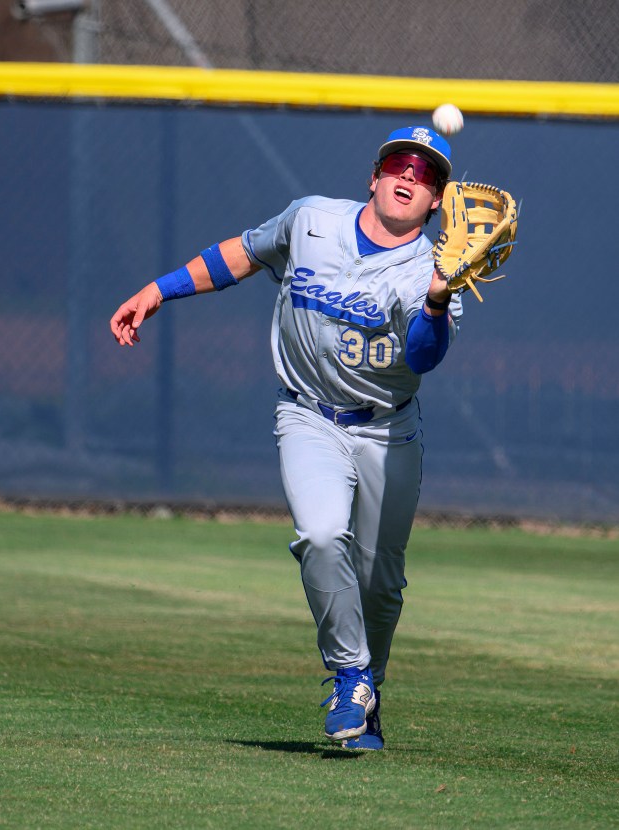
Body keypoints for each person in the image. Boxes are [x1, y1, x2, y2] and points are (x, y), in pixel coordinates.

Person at [110, 125, 463, 751]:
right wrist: (159, 289)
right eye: (399, 165)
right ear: (374, 177)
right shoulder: (312, 221)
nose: (410, 176)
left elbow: (425, 355)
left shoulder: (431, 270)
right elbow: (241, 254)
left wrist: (436, 300)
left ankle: (368, 688)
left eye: (427, 174)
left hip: (388, 429)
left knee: (381, 582)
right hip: (307, 416)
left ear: (437, 200)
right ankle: (350, 674)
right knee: (323, 535)